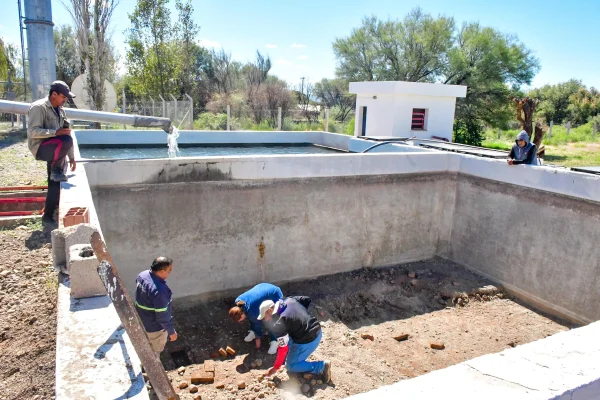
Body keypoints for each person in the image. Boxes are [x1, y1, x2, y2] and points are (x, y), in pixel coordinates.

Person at [27, 81, 77, 227]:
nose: (65, 100)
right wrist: (55, 132)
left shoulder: (61, 111)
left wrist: (72, 157)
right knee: (56, 173)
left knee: (55, 181)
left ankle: (49, 215)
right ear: (54, 94)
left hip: (55, 149)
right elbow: (32, 132)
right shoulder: (39, 107)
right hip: (41, 148)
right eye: (63, 97)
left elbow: (67, 135)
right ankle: (49, 214)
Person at [259, 297, 332, 383]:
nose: (265, 319)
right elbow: (306, 299)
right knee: (287, 337)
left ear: (270, 310)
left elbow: (283, 348)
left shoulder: (279, 323)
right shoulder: (289, 300)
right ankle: (295, 355)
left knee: (290, 366)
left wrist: (275, 368)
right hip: (317, 329)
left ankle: (321, 366)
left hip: (309, 340)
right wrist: (302, 317)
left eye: (265, 317)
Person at [135, 257, 178, 353]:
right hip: (154, 328)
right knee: (155, 351)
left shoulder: (142, 275)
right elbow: (162, 317)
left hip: (141, 319)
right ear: (162, 271)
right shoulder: (159, 291)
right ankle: (153, 367)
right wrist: (171, 332)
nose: (170, 272)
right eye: (169, 270)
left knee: (143, 345)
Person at [229, 283, 283, 355]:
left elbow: (258, 323)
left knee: (272, 319)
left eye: (239, 320)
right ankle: (253, 332)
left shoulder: (253, 311)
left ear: (242, 315)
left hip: (274, 295)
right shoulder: (238, 302)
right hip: (263, 287)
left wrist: (258, 338)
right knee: (253, 318)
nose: (240, 322)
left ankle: (275, 341)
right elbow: (251, 317)